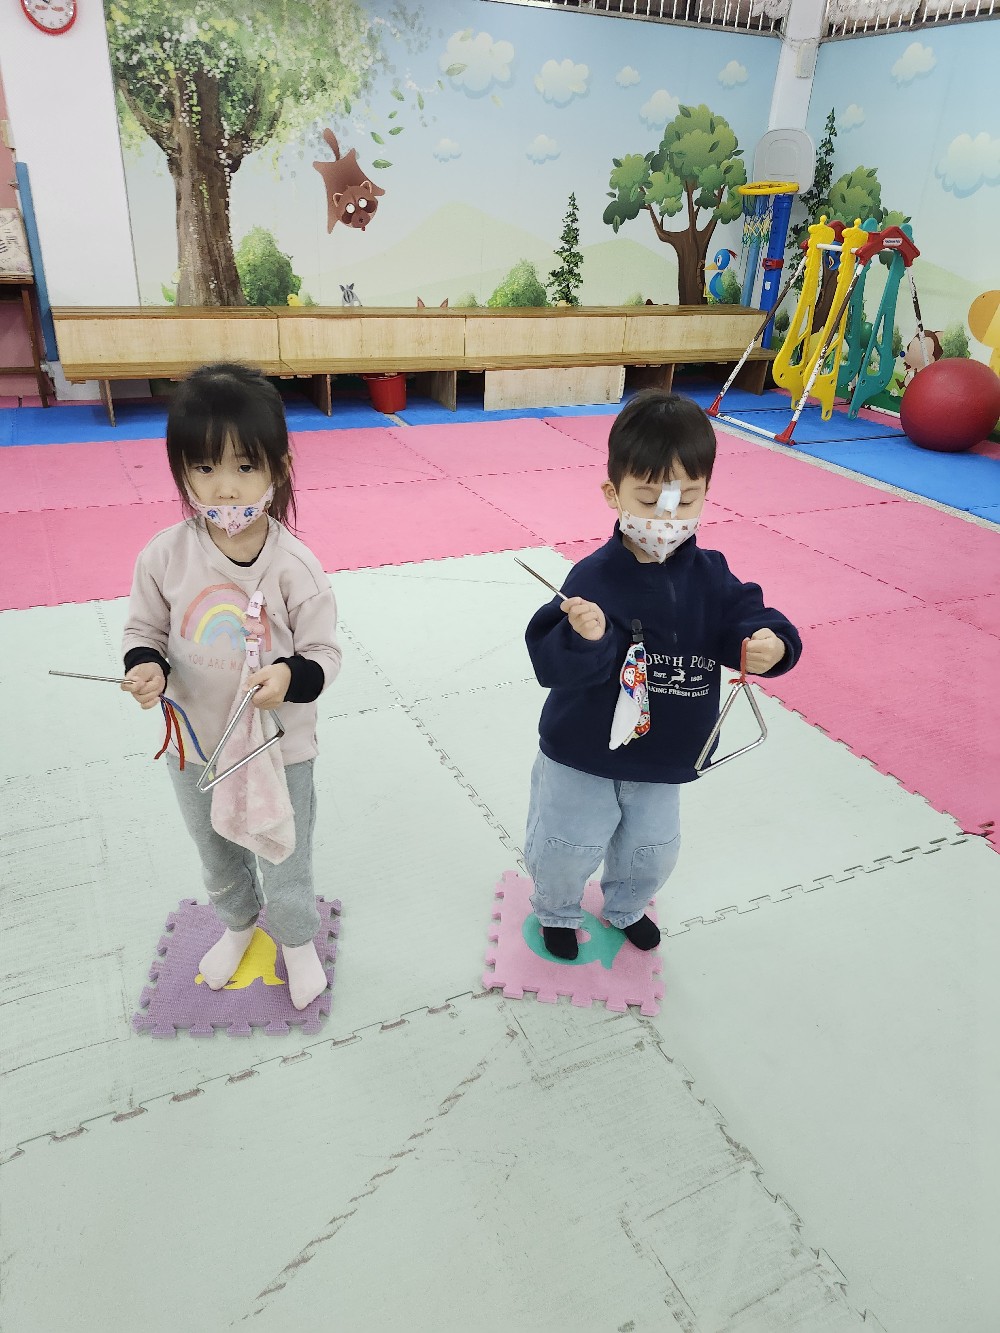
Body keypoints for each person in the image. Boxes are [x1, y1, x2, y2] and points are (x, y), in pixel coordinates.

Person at [524, 390, 802, 960]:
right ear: (614, 494)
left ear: (706, 492)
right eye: (649, 500)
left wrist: (770, 643)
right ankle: (556, 909)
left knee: (651, 850)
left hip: (667, 752)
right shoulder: (593, 576)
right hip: (583, 750)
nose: (666, 518)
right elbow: (549, 661)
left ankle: (626, 906)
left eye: (685, 499)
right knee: (566, 844)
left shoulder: (711, 575)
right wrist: (586, 637)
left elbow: (747, 617)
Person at [121, 363, 341, 1009]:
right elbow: (144, 629)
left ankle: (295, 939)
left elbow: (324, 654)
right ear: (181, 473)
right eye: (204, 467)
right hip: (196, 745)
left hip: (277, 747)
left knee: (285, 851)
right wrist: (148, 666)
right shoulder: (163, 555)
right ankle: (239, 925)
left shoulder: (296, 566)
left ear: (279, 468)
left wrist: (290, 675)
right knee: (215, 848)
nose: (224, 487)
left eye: (245, 466)